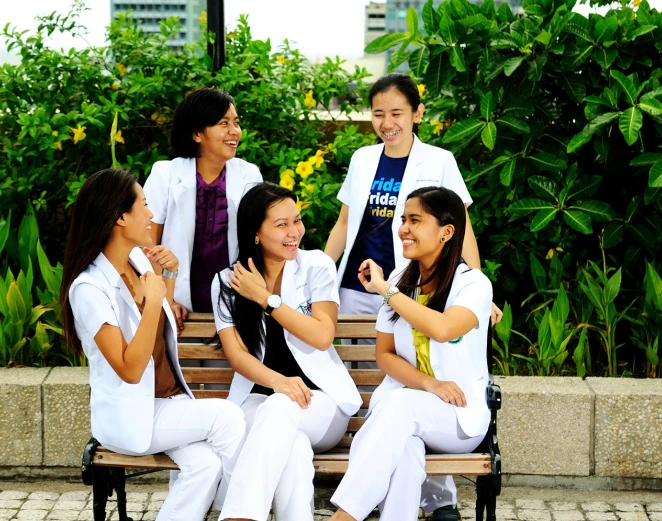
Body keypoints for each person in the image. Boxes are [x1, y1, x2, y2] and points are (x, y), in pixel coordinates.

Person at [323, 72, 498, 516]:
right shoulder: (363, 159)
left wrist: (471, 286)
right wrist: (321, 278)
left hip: (411, 284)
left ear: (417, 114)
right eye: (378, 113)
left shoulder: (439, 159)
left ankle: (436, 499)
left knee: (406, 398)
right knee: (388, 391)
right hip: (364, 285)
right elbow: (346, 223)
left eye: (397, 112)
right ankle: (383, 496)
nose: (387, 122)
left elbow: (461, 228)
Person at [59, 168, 246, 521]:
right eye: (143, 205)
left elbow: (162, 322)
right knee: (229, 417)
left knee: (203, 466)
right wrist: (152, 299)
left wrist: (168, 278)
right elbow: (130, 369)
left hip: (166, 402)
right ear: (119, 217)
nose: (151, 213)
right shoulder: (88, 289)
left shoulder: (139, 260)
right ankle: (240, 515)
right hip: (133, 415)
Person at [328, 186, 493, 521]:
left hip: (459, 417)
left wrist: (387, 292)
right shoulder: (399, 281)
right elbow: (385, 355)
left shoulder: (473, 284)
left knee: (399, 405)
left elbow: (444, 329)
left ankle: (343, 517)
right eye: (403, 219)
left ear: (447, 231)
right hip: (405, 413)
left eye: (415, 220)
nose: (403, 228)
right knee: (404, 452)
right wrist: (427, 383)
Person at [211, 182, 362, 521]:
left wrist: (266, 299)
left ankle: (240, 517)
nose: (295, 232)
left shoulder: (317, 266)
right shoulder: (226, 281)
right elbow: (238, 357)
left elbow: (323, 335)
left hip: (322, 403)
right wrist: (280, 382)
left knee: (281, 406)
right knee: (291, 448)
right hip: (257, 401)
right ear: (255, 233)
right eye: (281, 225)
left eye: (297, 220)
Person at [143, 86, 263, 329]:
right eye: (223, 123)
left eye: (236, 123)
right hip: (178, 307)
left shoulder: (249, 174)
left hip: (233, 306)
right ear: (197, 133)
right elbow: (146, 245)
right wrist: (166, 298)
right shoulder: (165, 174)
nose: (234, 131)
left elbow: (261, 242)